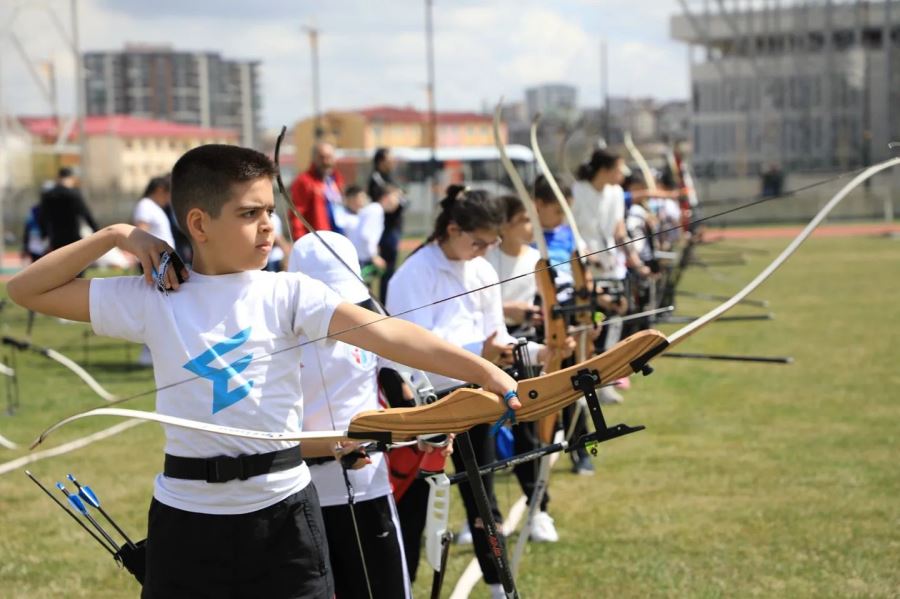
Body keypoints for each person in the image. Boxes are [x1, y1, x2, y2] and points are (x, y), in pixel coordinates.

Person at [6, 144, 518, 599]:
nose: (269, 225)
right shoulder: (155, 298)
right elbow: (27, 290)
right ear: (200, 224)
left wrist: (487, 374)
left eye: (270, 210)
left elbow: (390, 334)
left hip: (284, 516)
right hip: (188, 518)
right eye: (249, 213)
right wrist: (118, 235)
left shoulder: (288, 292)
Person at [387, 186, 549, 599]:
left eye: (490, 243)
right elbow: (412, 348)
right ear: (452, 229)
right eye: (476, 241)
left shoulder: (483, 270)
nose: (482, 250)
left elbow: (497, 334)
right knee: (415, 503)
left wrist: (544, 351)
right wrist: (482, 352)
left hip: (476, 395)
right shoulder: (414, 273)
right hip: (423, 402)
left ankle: (499, 588)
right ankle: (400, 589)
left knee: (483, 497)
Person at [290, 231, 411, 599]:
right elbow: (263, 437)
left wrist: (430, 426)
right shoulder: (275, 335)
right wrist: (332, 447)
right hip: (299, 499)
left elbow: (400, 388)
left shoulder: (368, 320)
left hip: (369, 488)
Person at [289, 141, 345, 239]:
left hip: (338, 236)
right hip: (318, 240)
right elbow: (297, 215)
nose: (326, 162)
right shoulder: (304, 181)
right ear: (314, 159)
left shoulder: (336, 179)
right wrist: (299, 240)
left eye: (329, 157)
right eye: (322, 157)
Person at [367, 148, 402, 302]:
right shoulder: (376, 179)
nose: (393, 163)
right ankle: (380, 304)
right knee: (381, 271)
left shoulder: (390, 178)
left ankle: (386, 301)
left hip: (393, 230)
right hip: (384, 232)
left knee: (390, 271)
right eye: (389, 160)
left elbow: (401, 197)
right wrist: (395, 197)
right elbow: (389, 202)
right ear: (381, 162)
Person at [344, 184, 401, 274]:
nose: (398, 200)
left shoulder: (375, 209)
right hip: (360, 259)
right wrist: (374, 256)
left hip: (360, 257)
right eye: (396, 196)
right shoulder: (376, 210)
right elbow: (366, 235)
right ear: (386, 197)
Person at [38, 167, 99, 252]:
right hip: (73, 235)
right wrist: (96, 231)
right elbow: (86, 214)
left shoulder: (48, 195)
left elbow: (42, 216)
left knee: (59, 261)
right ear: (71, 178)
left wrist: (44, 234)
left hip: (56, 236)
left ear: (58, 178)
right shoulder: (74, 194)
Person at [134, 175, 175, 249]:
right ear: (160, 190)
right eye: (168, 194)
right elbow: (141, 234)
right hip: (158, 258)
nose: (169, 199)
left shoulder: (154, 207)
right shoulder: (145, 205)